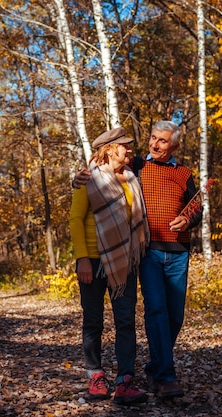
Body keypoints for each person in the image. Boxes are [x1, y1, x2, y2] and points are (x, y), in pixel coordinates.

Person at [72, 121, 203, 399]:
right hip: (125, 255)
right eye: (152, 139)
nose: (152, 145)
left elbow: (196, 207)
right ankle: (115, 376)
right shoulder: (125, 171)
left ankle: (142, 373)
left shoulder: (160, 174)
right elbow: (81, 208)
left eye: (162, 141)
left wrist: (189, 219)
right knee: (130, 315)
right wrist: (77, 180)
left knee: (156, 319)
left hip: (154, 255)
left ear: (174, 145)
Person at [69, 127, 150, 405]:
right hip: (92, 260)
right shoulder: (88, 178)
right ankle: (95, 376)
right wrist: (82, 258)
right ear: (109, 149)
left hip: (123, 261)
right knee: (93, 321)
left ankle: (125, 381)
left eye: (130, 146)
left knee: (125, 321)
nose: (130, 150)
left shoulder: (131, 179)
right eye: (125, 146)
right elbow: (76, 220)